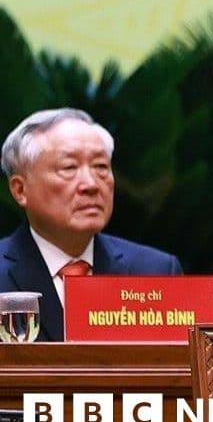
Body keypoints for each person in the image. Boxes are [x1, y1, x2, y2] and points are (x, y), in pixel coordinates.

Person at [1, 108, 182, 341]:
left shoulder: (156, 271)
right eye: (68, 168)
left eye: (100, 167)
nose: (91, 184)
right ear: (20, 189)